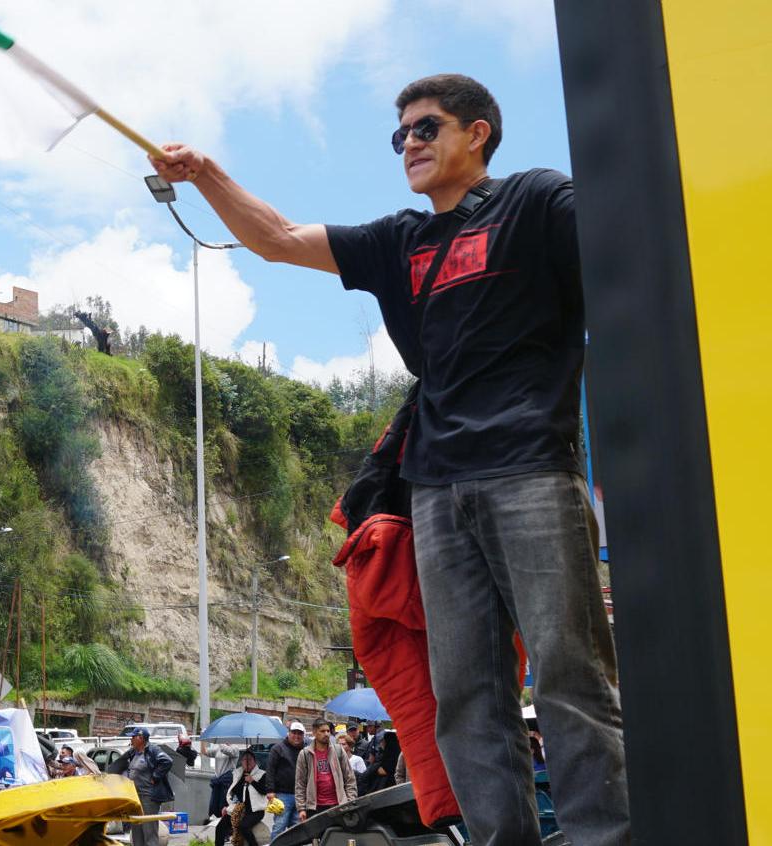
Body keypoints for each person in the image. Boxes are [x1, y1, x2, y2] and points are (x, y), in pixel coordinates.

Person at [150, 73, 629, 846]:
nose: (408, 142)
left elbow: (623, 241)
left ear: (476, 134)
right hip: (434, 489)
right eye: (399, 133)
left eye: (425, 127)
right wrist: (204, 172)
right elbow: (274, 240)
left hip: (531, 469)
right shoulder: (398, 239)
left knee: (569, 674)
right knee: (465, 695)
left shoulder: (535, 200)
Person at [107, 727, 173, 846]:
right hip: (135, 796)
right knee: (136, 829)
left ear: (141, 738)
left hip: (148, 797)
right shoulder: (133, 752)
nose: (131, 739)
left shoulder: (153, 750)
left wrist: (155, 776)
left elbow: (167, 761)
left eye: (133, 737)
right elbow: (120, 765)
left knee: (149, 831)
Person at [295, 730, 358, 822]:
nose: (326, 734)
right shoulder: (305, 754)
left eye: (328, 731)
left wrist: (350, 801)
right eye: (322, 731)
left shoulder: (338, 751)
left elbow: (350, 779)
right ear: (315, 733)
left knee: (336, 834)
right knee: (318, 835)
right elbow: (300, 783)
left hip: (339, 805)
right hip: (315, 807)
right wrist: (301, 808)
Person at [214, 750, 273, 846]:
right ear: (241, 762)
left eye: (250, 759)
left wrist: (252, 781)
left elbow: (264, 791)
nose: (247, 762)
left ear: (255, 761)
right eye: (245, 759)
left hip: (255, 811)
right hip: (239, 809)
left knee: (243, 827)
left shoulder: (262, 774)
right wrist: (227, 807)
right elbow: (232, 793)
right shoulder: (238, 774)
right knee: (220, 826)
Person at [265, 722, 304, 838]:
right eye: (294, 733)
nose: (296, 736)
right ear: (288, 733)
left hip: (299, 796)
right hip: (282, 795)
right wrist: (270, 791)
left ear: (303, 735)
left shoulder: (305, 750)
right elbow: (270, 770)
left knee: (297, 829)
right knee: (279, 827)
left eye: (299, 734)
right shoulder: (277, 748)